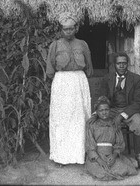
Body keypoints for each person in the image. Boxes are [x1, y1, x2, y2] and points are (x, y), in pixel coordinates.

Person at [46, 13, 93, 166]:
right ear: (61, 30)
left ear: (76, 29)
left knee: (79, 119)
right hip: (62, 83)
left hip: (78, 82)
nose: (68, 32)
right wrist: (60, 81)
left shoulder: (83, 44)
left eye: (71, 29)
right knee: (62, 119)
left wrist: (81, 78)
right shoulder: (55, 45)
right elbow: (50, 68)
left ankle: (80, 155)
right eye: (65, 29)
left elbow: (89, 66)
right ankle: (61, 157)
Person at [100, 52, 140, 170]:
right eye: (119, 63)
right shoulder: (107, 78)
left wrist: (122, 115)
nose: (121, 66)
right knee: (95, 121)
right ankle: (103, 155)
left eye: (124, 63)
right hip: (111, 110)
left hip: (130, 110)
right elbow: (102, 98)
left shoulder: (136, 79)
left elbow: (139, 102)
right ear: (114, 65)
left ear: (128, 64)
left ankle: (139, 157)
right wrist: (103, 105)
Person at [85, 96, 138, 181]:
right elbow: (89, 145)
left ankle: (126, 162)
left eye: (106, 110)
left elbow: (119, 143)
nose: (104, 112)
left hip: (111, 154)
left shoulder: (114, 124)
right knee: (101, 172)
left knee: (123, 169)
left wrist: (114, 156)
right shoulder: (92, 125)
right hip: (97, 156)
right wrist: (99, 160)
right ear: (97, 112)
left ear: (110, 110)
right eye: (101, 110)